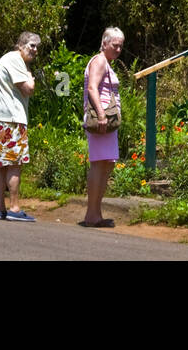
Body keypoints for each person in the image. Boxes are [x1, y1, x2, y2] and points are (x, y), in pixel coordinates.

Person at [0, 32, 40, 222]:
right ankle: (14, 208)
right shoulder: (15, 60)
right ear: (20, 45)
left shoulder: (6, 59)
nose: (35, 50)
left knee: (2, 166)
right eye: (32, 45)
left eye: (37, 47)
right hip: (10, 119)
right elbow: (28, 89)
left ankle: (0, 208)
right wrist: (30, 75)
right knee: (14, 165)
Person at [81, 27, 123, 228]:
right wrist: (101, 114)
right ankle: (91, 214)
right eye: (115, 45)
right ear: (104, 43)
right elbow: (92, 88)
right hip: (101, 120)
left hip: (106, 120)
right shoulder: (99, 61)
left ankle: (96, 212)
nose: (118, 49)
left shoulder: (106, 62)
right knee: (99, 164)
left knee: (107, 164)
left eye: (121, 46)